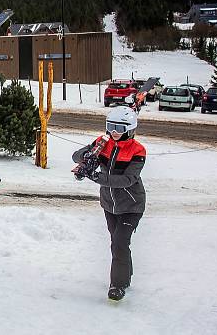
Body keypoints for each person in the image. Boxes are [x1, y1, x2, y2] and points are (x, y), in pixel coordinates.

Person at [72, 106, 146, 301]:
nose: (113, 133)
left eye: (119, 129)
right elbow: (76, 155)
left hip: (131, 205)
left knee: (119, 242)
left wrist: (96, 177)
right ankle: (126, 276)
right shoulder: (102, 143)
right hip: (109, 205)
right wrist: (86, 159)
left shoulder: (137, 150)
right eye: (110, 127)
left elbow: (128, 180)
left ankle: (117, 285)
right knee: (118, 242)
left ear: (130, 130)